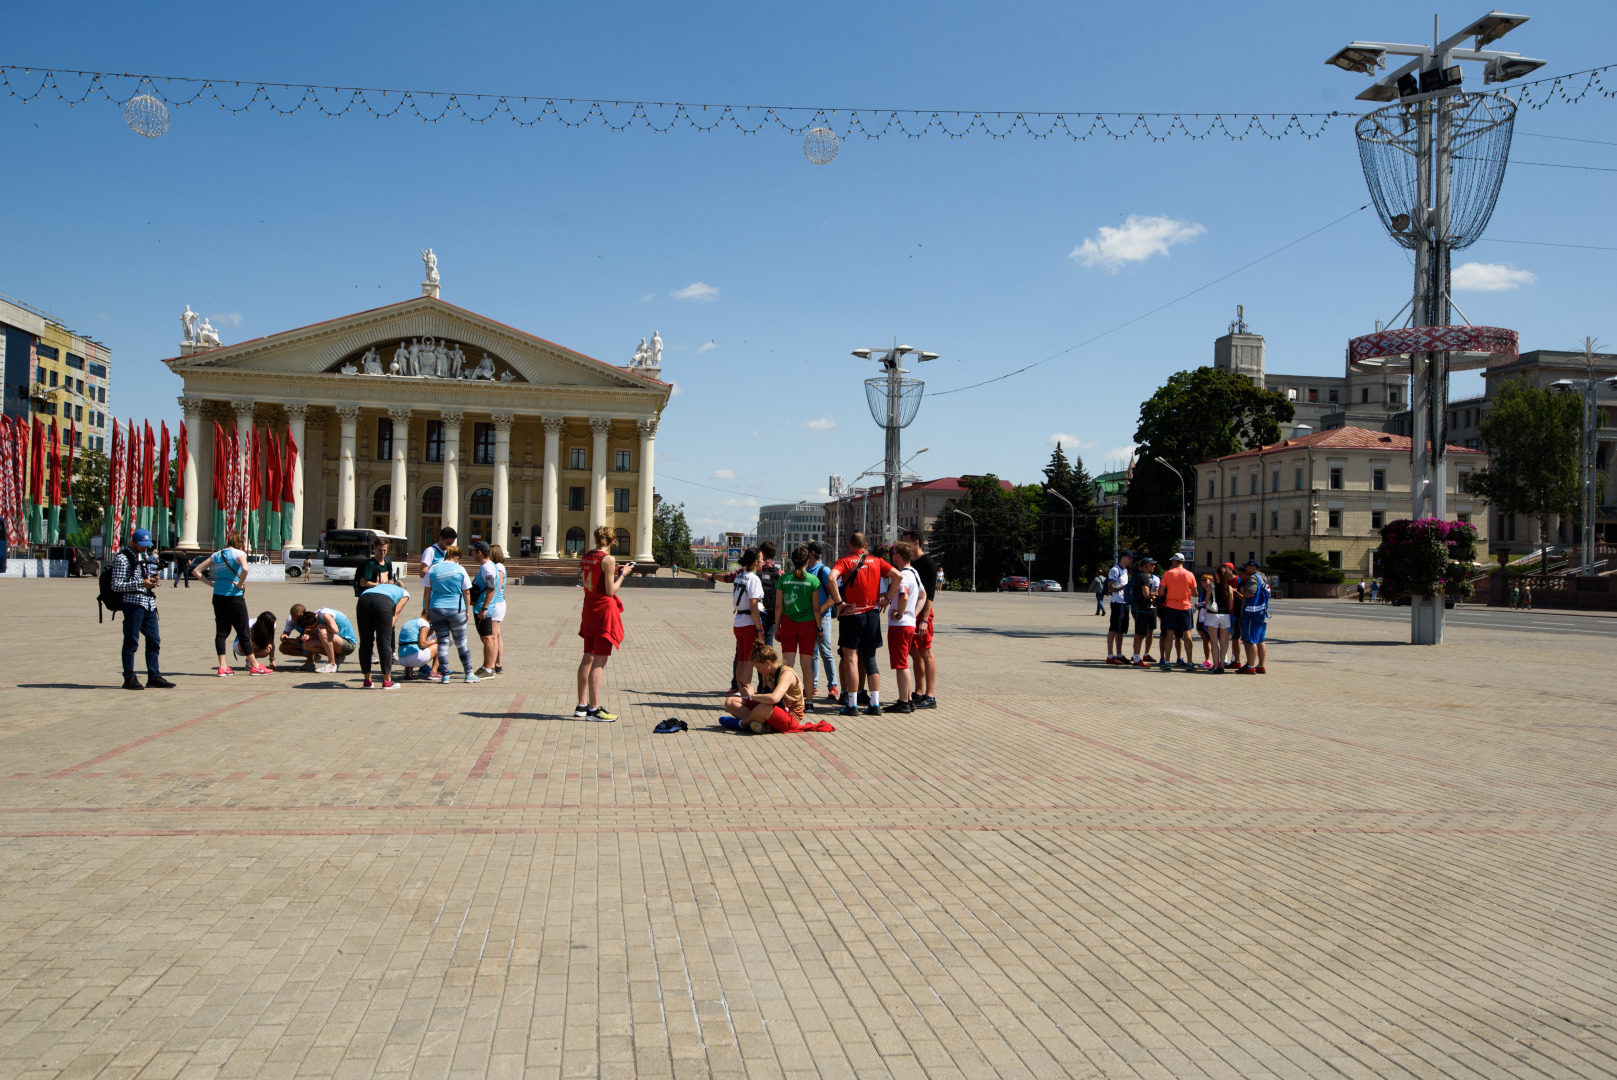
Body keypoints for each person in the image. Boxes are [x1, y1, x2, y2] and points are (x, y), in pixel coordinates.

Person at [831, 532, 903, 717]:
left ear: (850, 545)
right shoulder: (877, 561)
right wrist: (887, 598)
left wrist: (839, 603)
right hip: (872, 613)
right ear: (865, 545)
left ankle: (852, 704)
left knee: (851, 659)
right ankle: (875, 703)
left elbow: (831, 578)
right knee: (870, 658)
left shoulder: (844, 561)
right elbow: (898, 576)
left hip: (851, 614)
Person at [721, 642, 837, 734]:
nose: (757, 670)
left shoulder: (786, 673)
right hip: (775, 709)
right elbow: (766, 698)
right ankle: (761, 724)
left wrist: (751, 696)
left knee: (763, 708)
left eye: (758, 667)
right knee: (730, 701)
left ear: (767, 663)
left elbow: (773, 699)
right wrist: (750, 696)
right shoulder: (767, 671)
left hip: (791, 717)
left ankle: (742, 724)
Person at [577, 524, 630, 720]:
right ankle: (594, 708)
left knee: (587, 657)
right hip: (603, 611)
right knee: (599, 660)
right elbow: (610, 590)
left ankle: (582, 705)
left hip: (589, 608)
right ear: (612, 541)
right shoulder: (608, 558)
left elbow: (595, 574)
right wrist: (623, 574)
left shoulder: (586, 557)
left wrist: (613, 569)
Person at [113, 528, 174, 690]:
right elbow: (116, 585)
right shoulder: (122, 558)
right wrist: (140, 583)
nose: (145, 548)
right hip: (133, 604)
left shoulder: (145, 556)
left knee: (154, 640)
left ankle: (154, 676)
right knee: (131, 642)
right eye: (141, 545)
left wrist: (154, 580)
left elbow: (147, 576)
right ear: (132, 542)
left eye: (147, 545)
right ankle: (129, 677)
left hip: (149, 603)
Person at [774, 546, 825, 711]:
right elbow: (816, 608)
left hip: (788, 624)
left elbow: (778, 606)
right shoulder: (813, 580)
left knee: (787, 665)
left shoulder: (783, 579)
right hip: (808, 624)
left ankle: (786, 701)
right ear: (806, 561)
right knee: (807, 665)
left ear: (792, 561)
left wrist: (777, 627)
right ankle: (808, 703)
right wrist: (819, 628)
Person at [210, 531, 264, 677]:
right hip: (234, 597)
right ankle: (255, 665)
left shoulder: (217, 555)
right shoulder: (239, 553)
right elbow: (245, 569)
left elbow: (196, 570)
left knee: (221, 632)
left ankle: (222, 666)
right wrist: (240, 584)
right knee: (243, 632)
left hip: (218, 596)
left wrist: (211, 584)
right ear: (240, 543)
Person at [423, 544, 479, 684]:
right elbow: (466, 591)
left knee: (442, 642)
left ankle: (445, 675)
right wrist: (466, 610)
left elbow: (427, 591)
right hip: (456, 609)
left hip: (436, 608)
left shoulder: (434, 568)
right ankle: (468, 673)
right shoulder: (460, 569)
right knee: (461, 643)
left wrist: (428, 609)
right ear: (457, 556)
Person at [883, 541, 927, 713]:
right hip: (909, 623)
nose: (892, 557)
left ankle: (903, 701)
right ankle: (908, 699)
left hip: (900, 625)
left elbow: (903, 595)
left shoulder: (902, 576)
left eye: (893, 555)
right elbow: (923, 595)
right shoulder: (914, 573)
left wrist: (901, 614)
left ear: (898, 557)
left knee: (901, 664)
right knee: (904, 662)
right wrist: (913, 614)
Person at [902, 529, 940, 709]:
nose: (904, 545)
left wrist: (924, 619)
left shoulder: (928, 563)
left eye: (906, 542)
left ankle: (930, 696)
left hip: (924, 614)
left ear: (916, 543)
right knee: (915, 653)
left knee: (926, 652)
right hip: (911, 613)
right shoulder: (909, 563)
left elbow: (930, 595)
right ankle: (918, 691)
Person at [803, 541, 843, 705]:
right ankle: (812, 685)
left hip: (823, 617)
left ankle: (832, 686)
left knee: (825, 651)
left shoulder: (824, 570)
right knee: (812, 653)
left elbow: (834, 596)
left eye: (806, 551)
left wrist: (820, 610)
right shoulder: (805, 570)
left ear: (812, 553)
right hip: (809, 617)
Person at [357, 578, 410, 689]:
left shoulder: (378, 587)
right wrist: (385, 629)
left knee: (365, 641)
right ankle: (387, 681)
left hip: (363, 599)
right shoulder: (404, 593)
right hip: (382, 602)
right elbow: (395, 613)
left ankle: (367, 681)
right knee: (384, 642)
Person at [730, 548, 767, 691]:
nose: (763, 562)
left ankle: (739, 689)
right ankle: (745, 692)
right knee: (749, 662)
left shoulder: (740, 576)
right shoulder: (754, 579)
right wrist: (759, 630)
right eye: (761, 559)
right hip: (748, 624)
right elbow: (754, 607)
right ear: (755, 562)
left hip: (738, 622)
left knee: (741, 661)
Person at [471, 542, 507, 678]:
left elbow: (491, 587)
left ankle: (488, 668)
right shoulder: (490, 566)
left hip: (483, 608)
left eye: (474, 552)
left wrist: (484, 607)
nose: (472, 554)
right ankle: (487, 666)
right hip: (485, 607)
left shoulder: (487, 567)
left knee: (487, 638)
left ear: (479, 552)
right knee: (489, 638)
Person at [1158, 552, 1196, 671]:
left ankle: (1167, 661)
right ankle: (1189, 662)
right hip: (1185, 606)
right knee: (1187, 634)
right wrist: (1186, 593)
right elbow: (1195, 593)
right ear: (1183, 562)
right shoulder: (1190, 575)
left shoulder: (1167, 574)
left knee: (1169, 633)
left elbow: (1161, 592)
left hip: (1171, 606)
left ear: (1174, 561)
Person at [296, 605, 358, 674]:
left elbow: (335, 630)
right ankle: (337, 657)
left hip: (348, 644)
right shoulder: (316, 617)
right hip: (338, 641)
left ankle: (331, 664)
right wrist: (308, 636)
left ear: (312, 623)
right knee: (306, 645)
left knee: (323, 633)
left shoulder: (324, 614)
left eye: (311, 627)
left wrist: (322, 626)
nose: (312, 629)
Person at [1237, 560, 1271, 674]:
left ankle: (1251, 666)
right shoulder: (1263, 577)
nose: (1246, 569)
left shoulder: (1253, 578)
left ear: (1253, 567)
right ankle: (1261, 665)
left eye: (1247, 566)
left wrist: (1243, 591)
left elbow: (1250, 593)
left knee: (1251, 640)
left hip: (1253, 612)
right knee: (1260, 640)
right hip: (1263, 612)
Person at [1128, 555, 1158, 667]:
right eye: (1151, 565)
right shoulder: (1144, 577)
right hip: (1141, 609)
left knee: (1140, 633)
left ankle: (1136, 656)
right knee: (1140, 634)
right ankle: (1136, 658)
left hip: (1138, 608)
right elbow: (1146, 594)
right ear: (1145, 566)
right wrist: (1155, 595)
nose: (1154, 566)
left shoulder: (1138, 576)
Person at [1104, 551, 1133, 664]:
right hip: (1117, 602)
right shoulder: (1115, 570)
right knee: (1114, 628)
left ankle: (1119, 654)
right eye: (1130, 558)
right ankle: (1110, 655)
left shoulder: (1125, 570)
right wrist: (1125, 587)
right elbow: (1110, 588)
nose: (1131, 561)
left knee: (1121, 629)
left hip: (1124, 602)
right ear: (1124, 557)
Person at [1203, 570, 1233, 674]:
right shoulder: (1229, 587)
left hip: (1213, 614)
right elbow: (1231, 604)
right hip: (1225, 615)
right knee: (1224, 642)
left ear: (1217, 575)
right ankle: (1222, 666)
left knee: (1214, 642)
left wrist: (1207, 607)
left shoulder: (1212, 586)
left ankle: (1216, 666)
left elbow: (1207, 601)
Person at [756, 541, 782, 647]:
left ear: (761, 553)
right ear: (774, 554)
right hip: (771, 613)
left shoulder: (754, 571)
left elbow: (730, 576)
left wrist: (713, 576)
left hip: (755, 612)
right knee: (768, 641)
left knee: (751, 644)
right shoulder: (780, 573)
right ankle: (768, 662)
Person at [396, 614, 438, 678]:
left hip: (402, 659)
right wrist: (434, 641)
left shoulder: (409, 622)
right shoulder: (424, 623)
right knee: (439, 645)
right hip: (416, 658)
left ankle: (408, 671)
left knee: (411, 645)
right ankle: (434, 672)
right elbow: (422, 644)